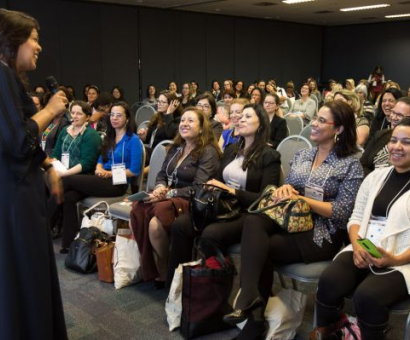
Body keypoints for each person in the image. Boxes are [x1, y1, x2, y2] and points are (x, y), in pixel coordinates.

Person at [224, 101, 364, 340]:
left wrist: (303, 200)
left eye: (321, 120)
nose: (314, 123)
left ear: (339, 129)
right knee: (254, 221)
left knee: (262, 247)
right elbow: (288, 185)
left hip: (323, 232)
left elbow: (341, 212)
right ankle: (250, 295)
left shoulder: (350, 164)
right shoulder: (303, 154)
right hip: (291, 218)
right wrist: (284, 190)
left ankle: (253, 319)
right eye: (315, 118)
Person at [0, 9, 68, 338]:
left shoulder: (8, 78)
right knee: (24, 276)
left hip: (19, 190)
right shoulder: (0, 75)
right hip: (14, 195)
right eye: (35, 39)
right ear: (13, 41)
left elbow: (22, 142)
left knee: (27, 274)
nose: (39, 47)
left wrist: (47, 165)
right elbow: (17, 140)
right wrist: (51, 111)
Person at [313, 117, 410, 340]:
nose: (397, 146)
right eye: (394, 140)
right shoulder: (376, 177)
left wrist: (393, 260)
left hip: (402, 259)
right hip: (365, 245)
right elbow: (356, 217)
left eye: (406, 142)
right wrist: (356, 245)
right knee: (329, 281)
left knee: (367, 297)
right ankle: (331, 332)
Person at [167, 104, 281, 286]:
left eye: (247, 116)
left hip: (246, 213)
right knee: (181, 224)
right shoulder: (231, 150)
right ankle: (176, 285)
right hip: (221, 206)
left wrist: (231, 190)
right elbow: (218, 181)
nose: (241, 119)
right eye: (240, 116)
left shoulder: (270, 156)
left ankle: (215, 291)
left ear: (260, 125)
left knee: (211, 233)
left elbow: (265, 199)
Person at [130, 108, 221, 287]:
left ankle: (166, 266)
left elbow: (199, 187)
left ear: (202, 128)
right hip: (168, 196)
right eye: (182, 121)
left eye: (190, 121)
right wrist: (159, 187)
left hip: (192, 201)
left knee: (156, 224)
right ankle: (153, 265)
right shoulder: (175, 148)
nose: (184, 124)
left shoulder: (208, 152)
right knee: (138, 208)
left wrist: (169, 193)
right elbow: (162, 174)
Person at [59, 101, 143, 253]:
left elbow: (134, 170)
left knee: (68, 180)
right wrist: (99, 169)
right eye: (112, 115)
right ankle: (68, 244)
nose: (114, 118)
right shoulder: (109, 137)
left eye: (119, 115)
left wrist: (109, 173)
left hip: (117, 184)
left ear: (127, 118)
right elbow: (100, 160)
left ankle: (42, 222)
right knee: (69, 196)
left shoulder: (133, 140)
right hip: (101, 179)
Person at [51, 100, 102, 177]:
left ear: (87, 117)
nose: (74, 116)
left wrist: (64, 174)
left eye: (79, 114)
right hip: (62, 171)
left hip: (82, 175)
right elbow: (56, 153)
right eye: (72, 113)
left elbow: (87, 163)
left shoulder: (91, 135)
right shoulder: (65, 130)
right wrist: (53, 165)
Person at [361, 97, 410, 176]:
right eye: (393, 112)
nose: (393, 117)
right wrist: (374, 180)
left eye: (400, 115)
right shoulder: (380, 135)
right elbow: (363, 163)